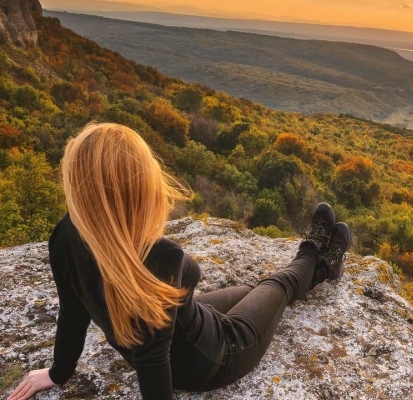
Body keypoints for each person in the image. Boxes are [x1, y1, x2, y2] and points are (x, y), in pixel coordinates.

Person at [7, 123, 352, 400]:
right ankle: (317, 258)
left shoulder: (66, 235)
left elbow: (72, 314)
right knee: (277, 284)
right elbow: (154, 365)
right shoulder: (161, 257)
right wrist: (184, 269)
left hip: (186, 325)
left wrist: (57, 373)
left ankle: (318, 266)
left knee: (254, 289)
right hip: (219, 357)